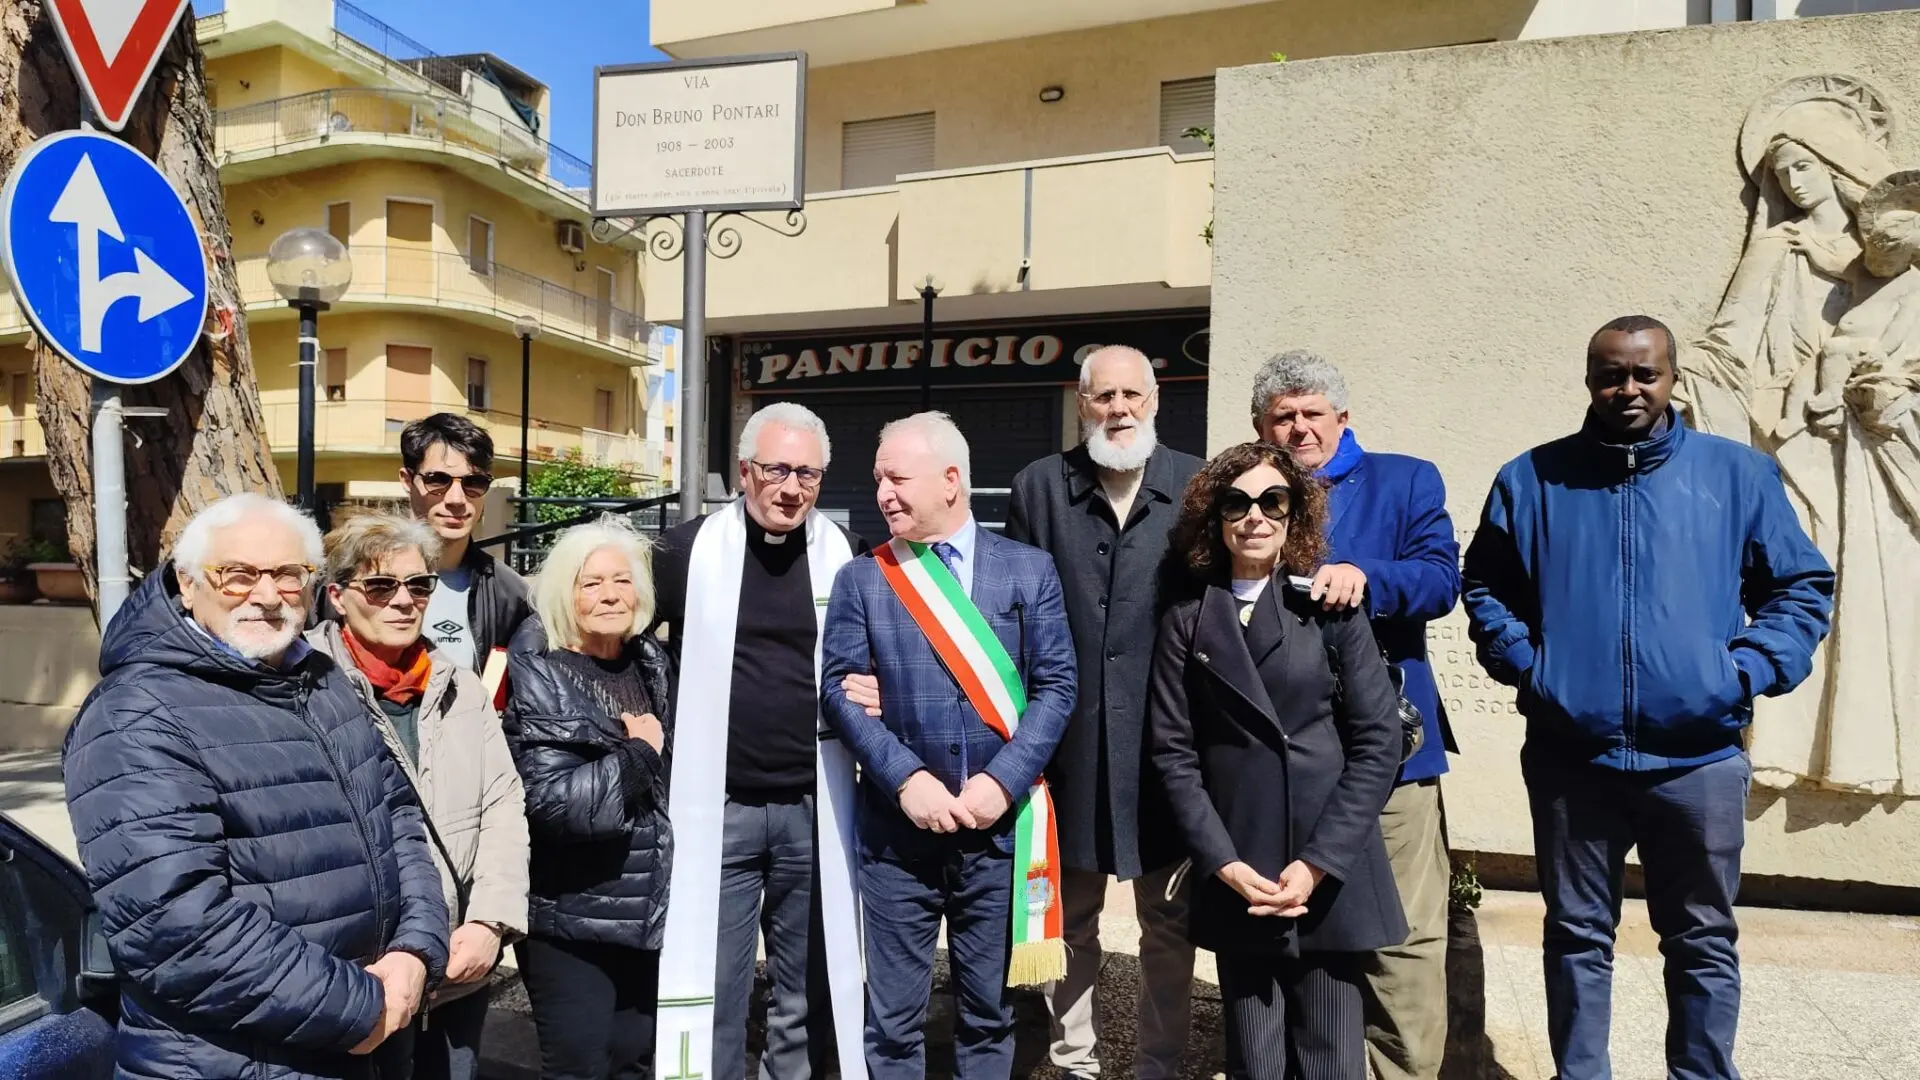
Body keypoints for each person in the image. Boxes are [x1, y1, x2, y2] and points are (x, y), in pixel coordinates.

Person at [1463, 315, 1834, 1080]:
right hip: (1575, 758)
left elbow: (1799, 587)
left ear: (1672, 377)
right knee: (1576, 936)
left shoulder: (1738, 476)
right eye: (1609, 374)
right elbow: (1487, 586)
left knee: (1700, 939)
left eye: (1644, 374)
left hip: (1697, 760)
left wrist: (1744, 671)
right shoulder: (1531, 478)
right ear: (1588, 378)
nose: (1626, 388)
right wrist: (1531, 668)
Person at [62, 493, 450, 1080]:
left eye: (288, 575)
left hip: (368, 1039)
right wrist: (362, 1007)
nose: (267, 596)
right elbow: (174, 927)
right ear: (188, 584)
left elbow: (398, 816)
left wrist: (415, 951)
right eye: (237, 574)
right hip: (238, 1059)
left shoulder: (317, 679)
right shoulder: (137, 713)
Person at [820, 411, 1077, 1080]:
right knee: (894, 1020)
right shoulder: (863, 579)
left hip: (997, 835)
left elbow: (1057, 688)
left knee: (989, 1016)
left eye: (897, 478)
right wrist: (906, 779)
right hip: (897, 839)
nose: (883, 493)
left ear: (952, 480)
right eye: (878, 479)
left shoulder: (1028, 570)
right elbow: (839, 694)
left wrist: (1001, 782)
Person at [1147, 441, 1407, 1080]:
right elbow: (1172, 753)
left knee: (1331, 1057)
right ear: (1216, 517)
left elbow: (1378, 740)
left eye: (1273, 501)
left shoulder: (1327, 609)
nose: (1255, 516)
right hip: (1244, 859)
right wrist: (1223, 863)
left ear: (1295, 515)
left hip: (1325, 857)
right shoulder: (1187, 621)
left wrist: (1320, 862)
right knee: (1255, 1056)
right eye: (1237, 502)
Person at [1250, 348, 1461, 1080]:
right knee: (1306, 932)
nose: (1300, 428)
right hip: (1287, 761)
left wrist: (1367, 576)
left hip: (1392, 755)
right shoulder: (1248, 496)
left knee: (1402, 939)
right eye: (1285, 417)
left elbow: (1440, 581)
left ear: (1344, 417)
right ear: (1262, 427)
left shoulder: (1405, 480)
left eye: (1313, 413)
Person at [648, 402, 868, 1080]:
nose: (791, 487)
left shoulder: (844, 558)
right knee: (713, 984)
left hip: (815, 806)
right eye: (776, 469)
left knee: (802, 992)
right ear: (745, 472)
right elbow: (618, 634)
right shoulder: (686, 552)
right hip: (719, 809)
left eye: (808, 473)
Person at [1003, 345, 1202, 1080]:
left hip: (1166, 745)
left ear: (1155, 400)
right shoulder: (1039, 487)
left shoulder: (1197, 483)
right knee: (1067, 920)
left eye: (1132, 395)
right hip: (1070, 746)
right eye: (1103, 396)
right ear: (1081, 403)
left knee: (1169, 921)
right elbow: (1012, 616)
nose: (1118, 409)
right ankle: (1074, 1059)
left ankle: (1160, 1063)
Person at [307, 512, 531, 1080]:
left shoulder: (461, 686)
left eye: (419, 585)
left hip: (459, 966)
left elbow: (504, 806)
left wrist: (490, 923)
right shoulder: (303, 689)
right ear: (337, 595)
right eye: (380, 586)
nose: (403, 601)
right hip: (359, 977)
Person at [502, 517, 674, 1080]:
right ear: (563, 593)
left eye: (621, 581)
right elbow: (552, 804)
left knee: (634, 1062)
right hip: (569, 914)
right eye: (590, 582)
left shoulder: (651, 663)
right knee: (579, 1066)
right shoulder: (538, 670)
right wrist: (639, 754)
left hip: (645, 907)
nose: (609, 595)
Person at [384, 412, 535, 672]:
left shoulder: (511, 595)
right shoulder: (355, 580)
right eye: (437, 480)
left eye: (473, 483)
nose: (456, 498)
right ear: (407, 480)